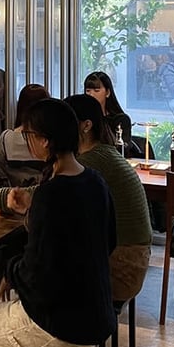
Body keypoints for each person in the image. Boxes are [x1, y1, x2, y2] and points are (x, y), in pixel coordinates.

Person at [0, 97, 116, 347]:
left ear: (45, 141)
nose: (27, 141)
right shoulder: (95, 182)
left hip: (61, 324)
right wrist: (32, 214)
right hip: (96, 313)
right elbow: (108, 242)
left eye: (28, 135)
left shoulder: (51, 194)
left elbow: (37, 272)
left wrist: (10, 272)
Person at [64, 94, 152, 301]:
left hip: (122, 268)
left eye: (66, 121)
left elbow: (46, 194)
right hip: (133, 259)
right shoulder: (105, 153)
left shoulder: (91, 161)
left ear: (86, 125)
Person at [0, 83, 50, 187]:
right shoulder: (52, 140)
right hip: (45, 194)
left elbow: (0, 173)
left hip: (13, 194)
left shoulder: (6, 139)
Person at [84, 71, 139, 158]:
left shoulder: (120, 119)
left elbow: (122, 150)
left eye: (96, 91)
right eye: (88, 91)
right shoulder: (83, 119)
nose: (91, 95)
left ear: (107, 92)